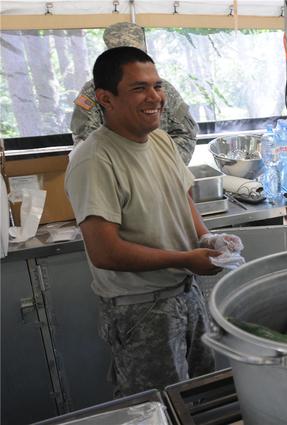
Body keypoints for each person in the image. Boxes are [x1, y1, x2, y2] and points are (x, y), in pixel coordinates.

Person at [65, 46, 243, 396]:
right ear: (106, 98)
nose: (156, 97)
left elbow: (182, 195)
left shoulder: (160, 140)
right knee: (159, 406)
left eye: (157, 85)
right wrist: (186, 259)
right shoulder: (94, 160)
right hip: (141, 311)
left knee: (199, 396)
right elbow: (105, 252)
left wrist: (208, 239)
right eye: (139, 88)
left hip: (186, 293)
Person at [70, 22, 197, 165]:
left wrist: (162, 166)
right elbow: (85, 142)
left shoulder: (164, 88)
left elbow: (186, 134)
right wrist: (130, 168)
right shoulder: (92, 93)